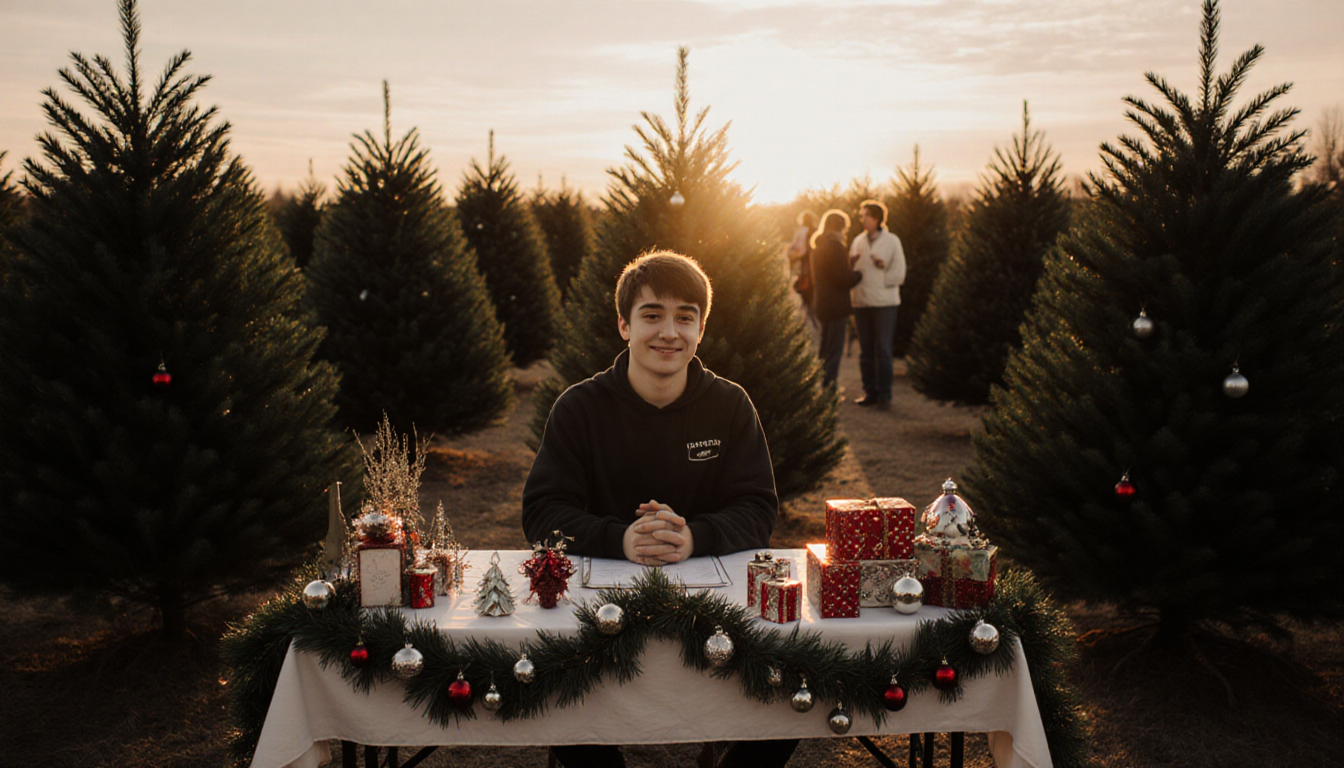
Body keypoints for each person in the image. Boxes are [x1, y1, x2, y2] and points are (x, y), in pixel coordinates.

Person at [523, 251, 797, 768]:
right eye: (652, 315)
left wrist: (693, 536)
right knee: (554, 685)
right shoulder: (578, 408)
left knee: (797, 680)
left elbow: (758, 508)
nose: (669, 332)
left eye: (685, 317)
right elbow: (542, 512)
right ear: (624, 324)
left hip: (717, 608)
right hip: (595, 610)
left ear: (701, 329)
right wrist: (621, 539)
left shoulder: (731, 405)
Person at [847, 199, 906, 411]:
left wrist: (882, 269)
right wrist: (850, 265)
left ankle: (884, 394)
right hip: (861, 301)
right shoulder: (858, 241)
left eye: (865, 216)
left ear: (877, 219)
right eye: (861, 216)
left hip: (884, 303)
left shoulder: (892, 241)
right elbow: (852, 271)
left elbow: (899, 272)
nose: (861, 219)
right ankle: (869, 391)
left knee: (882, 349)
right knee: (865, 350)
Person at [809, 209, 862, 388]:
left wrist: (848, 265)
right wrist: (857, 274)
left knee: (825, 346)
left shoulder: (818, 247)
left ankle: (821, 380)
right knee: (835, 349)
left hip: (822, 303)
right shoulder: (837, 247)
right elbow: (842, 280)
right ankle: (830, 385)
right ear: (839, 228)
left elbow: (829, 274)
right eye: (845, 229)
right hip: (837, 305)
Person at [787, 210, 818, 321]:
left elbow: (797, 247)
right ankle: (811, 310)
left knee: (801, 285)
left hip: (803, 262)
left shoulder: (801, 231)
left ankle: (806, 311)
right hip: (814, 263)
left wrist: (793, 256)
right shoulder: (815, 231)